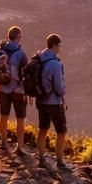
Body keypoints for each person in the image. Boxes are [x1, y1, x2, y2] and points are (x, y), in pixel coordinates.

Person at [0, 24, 28, 155]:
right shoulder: (21, 54)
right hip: (18, 90)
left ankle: (3, 142)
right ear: (18, 37)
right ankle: (20, 147)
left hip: (3, 88)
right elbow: (26, 74)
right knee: (20, 118)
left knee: (4, 116)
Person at [35, 33, 67, 170]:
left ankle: (41, 158)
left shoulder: (39, 58)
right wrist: (63, 93)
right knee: (61, 131)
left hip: (40, 100)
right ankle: (59, 161)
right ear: (54, 45)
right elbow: (59, 87)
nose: (60, 48)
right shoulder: (55, 64)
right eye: (59, 45)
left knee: (42, 129)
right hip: (53, 102)